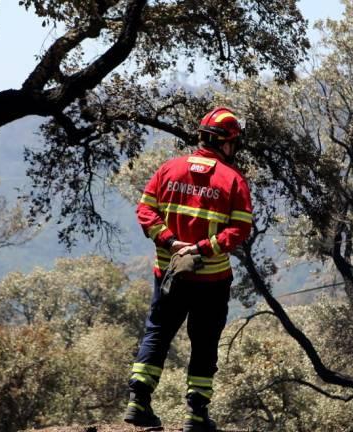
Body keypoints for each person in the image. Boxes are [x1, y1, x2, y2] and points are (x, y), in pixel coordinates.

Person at [123, 107, 253, 432]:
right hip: (212, 280)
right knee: (205, 342)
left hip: (169, 275)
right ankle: (196, 416)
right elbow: (239, 231)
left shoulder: (169, 169)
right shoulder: (233, 181)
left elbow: (145, 210)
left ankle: (138, 404)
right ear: (225, 143)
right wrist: (202, 249)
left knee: (158, 332)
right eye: (233, 144)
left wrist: (170, 242)